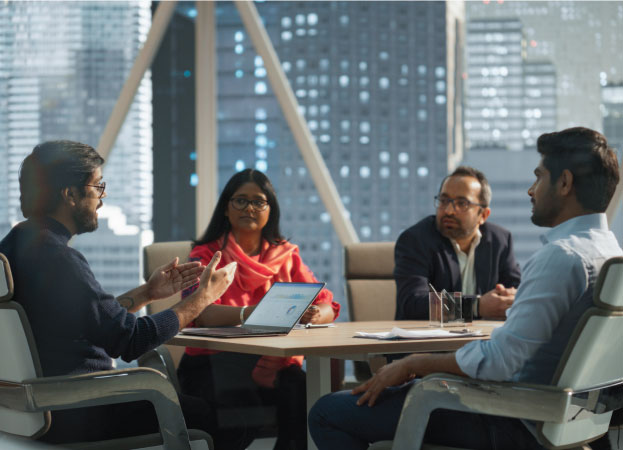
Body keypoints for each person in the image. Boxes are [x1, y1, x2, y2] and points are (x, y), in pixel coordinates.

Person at [309, 127, 622, 450]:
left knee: (326, 412)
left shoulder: (560, 257)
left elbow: (499, 361)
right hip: (572, 420)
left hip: (514, 417)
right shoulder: (612, 254)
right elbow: (414, 302)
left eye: (539, 177)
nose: (531, 190)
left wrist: (414, 364)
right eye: (444, 201)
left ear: (565, 183)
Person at [0, 141, 236, 445]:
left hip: (36, 410)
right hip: (79, 409)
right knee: (220, 417)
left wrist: (148, 293)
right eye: (98, 186)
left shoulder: (15, 247)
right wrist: (202, 298)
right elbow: (131, 340)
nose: (103, 197)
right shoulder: (57, 258)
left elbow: (93, 321)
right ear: (69, 194)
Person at [177, 169, 340, 450]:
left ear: (270, 211)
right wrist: (255, 312)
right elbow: (201, 311)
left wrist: (316, 314)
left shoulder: (285, 255)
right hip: (213, 364)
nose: (249, 208)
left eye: (258, 201)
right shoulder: (205, 255)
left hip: (271, 362)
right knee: (243, 409)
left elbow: (327, 303)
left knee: (304, 394)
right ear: (226, 209)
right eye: (240, 200)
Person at [394, 166, 521, 320]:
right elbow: (412, 304)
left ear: (483, 215)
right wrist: (475, 306)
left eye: (462, 203)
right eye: (444, 200)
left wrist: (510, 297)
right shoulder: (415, 240)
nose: (448, 210)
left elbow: (518, 291)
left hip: (486, 339)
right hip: (430, 342)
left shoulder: (500, 241)